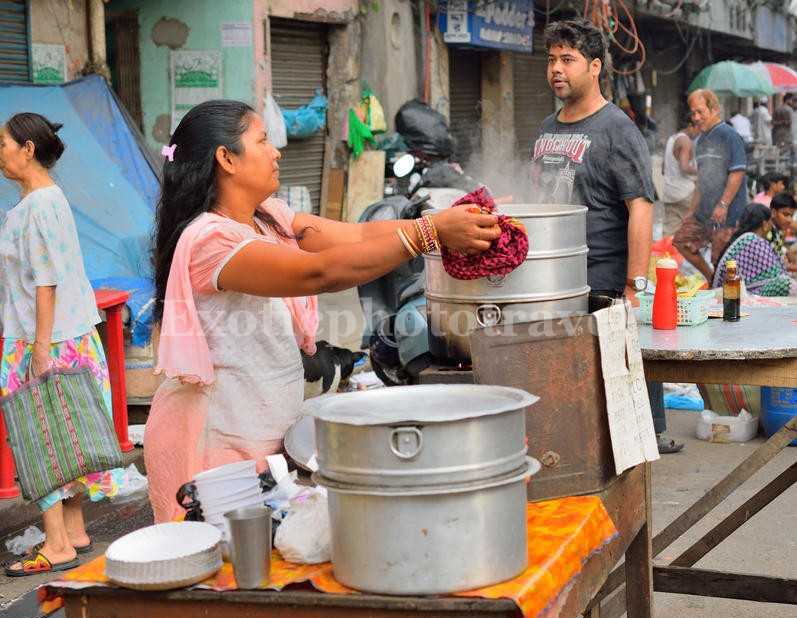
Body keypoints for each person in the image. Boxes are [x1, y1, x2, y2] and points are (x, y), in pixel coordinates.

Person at [145, 100, 502, 522]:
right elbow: (316, 273)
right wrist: (429, 234)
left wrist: (445, 221)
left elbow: (357, 235)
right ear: (226, 159)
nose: (277, 151)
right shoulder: (210, 240)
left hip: (259, 441)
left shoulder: (268, 218)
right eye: (262, 140)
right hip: (213, 448)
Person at [528, 19, 680, 453]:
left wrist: (634, 285)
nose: (557, 68)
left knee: (615, 391)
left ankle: (640, 451)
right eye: (552, 59)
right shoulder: (546, 128)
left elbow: (641, 207)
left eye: (568, 60)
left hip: (603, 283)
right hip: (553, 281)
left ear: (594, 67)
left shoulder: (617, 129)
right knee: (569, 393)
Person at [0, 113, 123, 576]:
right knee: (68, 438)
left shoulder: (38, 205)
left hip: (41, 339)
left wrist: (39, 349)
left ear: (27, 150)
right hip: (63, 336)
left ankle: (56, 543)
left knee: (39, 437)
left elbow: (45, 281)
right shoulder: (42, 201)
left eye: (4, 143)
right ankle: (73, 529)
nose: (0, 152)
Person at [673, 89, 749, 283]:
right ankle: (712, 278)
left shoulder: (729, 135)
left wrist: (723, 205)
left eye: (700, 111)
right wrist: (691, 211)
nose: (696, 117)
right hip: (704, 212)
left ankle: (725, 293)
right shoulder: (701, 141)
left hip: (727, 213)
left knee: (721, 258)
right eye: (693, 113)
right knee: (682, 240)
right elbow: (702, 180)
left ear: (714, 109)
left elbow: (737, 172)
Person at [712, 203, 797, 296]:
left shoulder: (745, 240)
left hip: (736, 291)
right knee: (788, 285)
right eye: (770, 223)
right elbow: (775, 273)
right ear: (765, 224)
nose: (770, 227)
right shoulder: (754, 241)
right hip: (742, 293)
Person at [661, 117, 698, 237]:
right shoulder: (685, 141)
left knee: (670, 231)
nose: (699, 133)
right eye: (698, 129)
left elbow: (663, 168)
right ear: (691, 126)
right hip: (685, 193)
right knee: (692, 230)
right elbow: (684, 167)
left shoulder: (672, 139)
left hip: (670, 192)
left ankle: (666, 255)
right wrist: (702, 171)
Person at [767, 191, 796, 266]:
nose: (789, 220)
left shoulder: (777, 230)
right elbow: (773, 265)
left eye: (791, 216)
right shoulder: (767, 232)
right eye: (785, 214)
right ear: (773, 212)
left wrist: (786, 251)